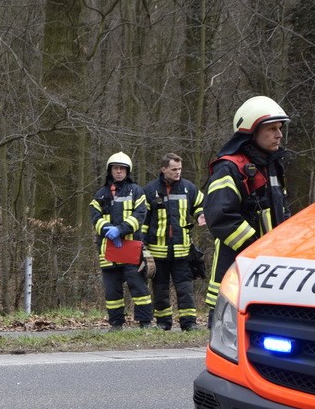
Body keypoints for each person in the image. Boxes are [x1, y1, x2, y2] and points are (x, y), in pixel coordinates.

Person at [203, 96, 290, 322]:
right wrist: (256, 247)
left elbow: (282, 214)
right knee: (230, 343)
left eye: (279, 128)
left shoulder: (272, 166)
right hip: (237, 267)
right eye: (271, 129)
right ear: (251, 132)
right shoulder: (229, 169)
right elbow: (220, 218)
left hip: (269, 268)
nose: (279, 134)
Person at [89, 152, 153, 331]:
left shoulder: (136, 191)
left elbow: (140, 215)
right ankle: (116, 324)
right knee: (112, 291)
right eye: (115, 168)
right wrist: (107, 230)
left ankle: (145, 322)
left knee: (139, 287)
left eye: (122, 169)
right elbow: (95, 217)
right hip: (108, 249)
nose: (118, 171)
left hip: (131, 248)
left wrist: (121, 230)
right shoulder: (100, 195)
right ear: (110, 171)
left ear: (127, 171)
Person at [141, 153, 206, 331]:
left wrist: (201, 214)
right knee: (160, 289)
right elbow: (143, 220)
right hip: (157, 250)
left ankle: (189, 323)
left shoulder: (188, 188)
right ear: (164, 170)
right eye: (174, 169)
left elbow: (200, 204)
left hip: (182, 250)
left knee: (185, 289)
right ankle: (163, 323)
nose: (178, 172)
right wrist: (142, 245)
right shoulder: (150, 190)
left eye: (180, 169)